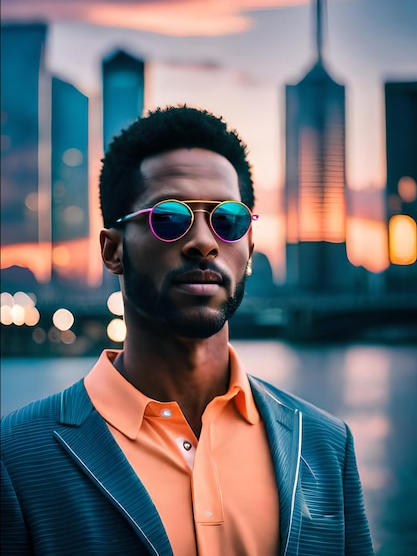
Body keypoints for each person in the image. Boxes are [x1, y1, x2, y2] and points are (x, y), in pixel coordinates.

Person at [1, 105, 373, 555]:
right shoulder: (18, 457)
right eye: (171, 218)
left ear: (249, 248)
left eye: (228, 220)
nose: (204, 241)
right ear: (113, 250)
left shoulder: (326, 445)